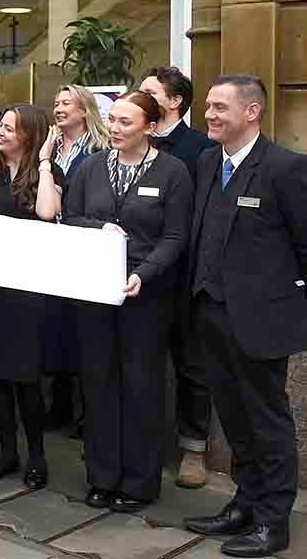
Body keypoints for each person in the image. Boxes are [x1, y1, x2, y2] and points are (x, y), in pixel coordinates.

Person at [183, 76, 307, 558]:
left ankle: (274, 523)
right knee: (233, 416)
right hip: (210, 313)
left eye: (219, 107)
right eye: (208, 107)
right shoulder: (208, 161)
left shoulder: (286, 169)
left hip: (261, 323)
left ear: (251, 112)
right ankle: (246, 503)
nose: (209, 115)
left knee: (267, 421)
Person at [63, 91, 193, 512]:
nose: (115, 129)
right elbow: (72, 217)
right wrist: (100, 226)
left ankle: (138, 482)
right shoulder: (91, 167)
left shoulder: (173, 173)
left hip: (146, 296)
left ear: (150, 128)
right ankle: (102, 476)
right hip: (96, 292)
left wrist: (144, 273)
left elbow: (176, 236)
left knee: (141, 386)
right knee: (98, 381)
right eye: (113, 120)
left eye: (125, 122)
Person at [0, 105, 62, 490]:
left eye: (9, 128)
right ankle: (6, 451)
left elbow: (45, 213)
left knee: (26, 378)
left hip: (27, 290)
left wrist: (43, 163)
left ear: (28, 134)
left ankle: (37, 455)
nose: (1, 132)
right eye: (1, 126)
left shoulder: (47, 173)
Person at [139, 65, 218, 487]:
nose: (141, 95)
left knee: (191, 366)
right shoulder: (130, 141)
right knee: (139, 364)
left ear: (175, 102)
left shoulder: (201, 149)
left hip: (185, 277)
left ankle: (194, 451)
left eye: (150, 91)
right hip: (139, 277)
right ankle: (138, 443)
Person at [47, 83, 110, 428]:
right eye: (56, 103)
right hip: (51, 247)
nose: (59, 108)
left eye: (66, 104)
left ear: (84, 110)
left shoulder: (101, 148)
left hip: (84, 246)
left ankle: (89, 412)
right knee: (57, 326)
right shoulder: (49, 146)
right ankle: (59, 402)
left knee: (85, 328)